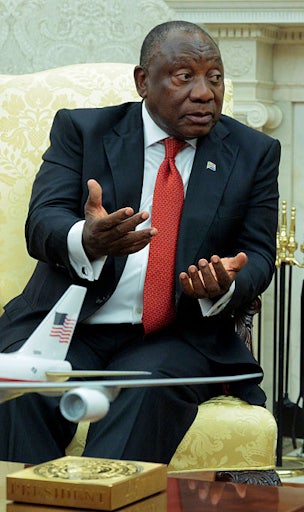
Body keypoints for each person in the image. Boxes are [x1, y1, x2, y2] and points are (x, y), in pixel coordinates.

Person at [0, 20, 280, 464]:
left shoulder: (253, 153)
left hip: (176, 336)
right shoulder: (83, 131)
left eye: (215, 76)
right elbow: (43, 221)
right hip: (68, 325)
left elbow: (261, 252)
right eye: (185, 76)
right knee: (24, 394)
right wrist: (87, 239)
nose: (205, 92)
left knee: (145, 395)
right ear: (143, 81)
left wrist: (224, 284)